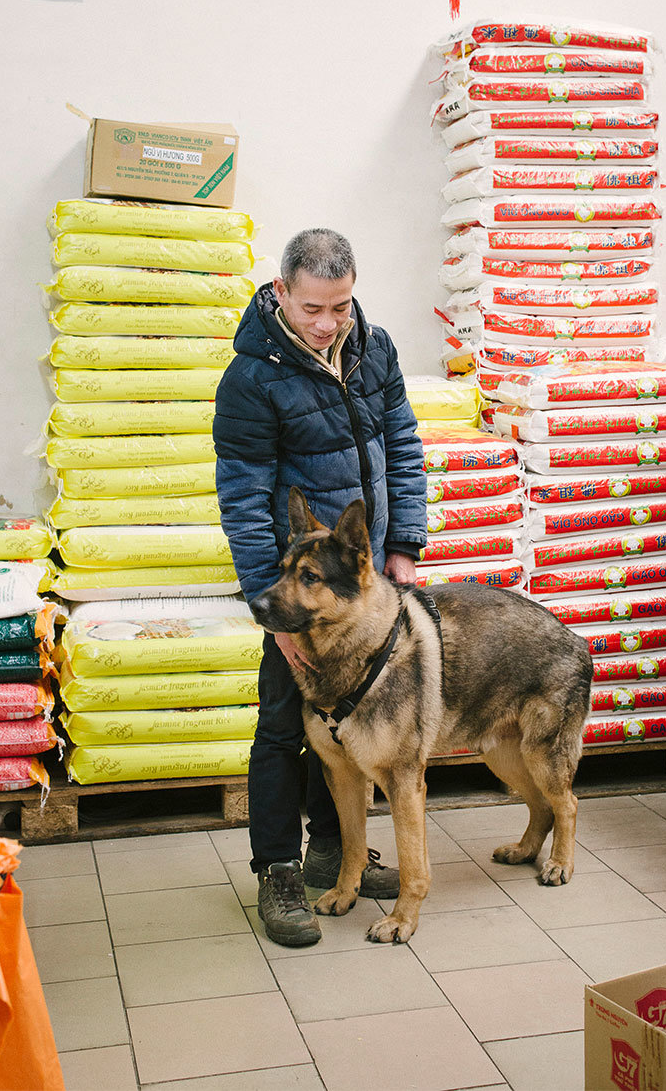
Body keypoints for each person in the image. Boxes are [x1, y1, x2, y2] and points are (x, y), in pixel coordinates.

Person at [213, 228, 428, 947]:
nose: (328, 323)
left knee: (352, 727)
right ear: (281, 293)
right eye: (312, 308)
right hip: (300, 588)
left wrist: (403, 546)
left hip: (363, 583)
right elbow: (243, 500)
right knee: (284, 726)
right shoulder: (251, 379)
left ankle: (337, 856)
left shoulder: (377, 347)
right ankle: (279, 869)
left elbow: (402, 444)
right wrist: (271, 611)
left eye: (340, 306)